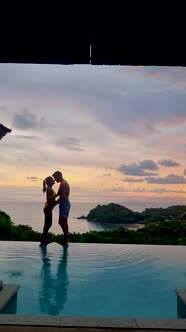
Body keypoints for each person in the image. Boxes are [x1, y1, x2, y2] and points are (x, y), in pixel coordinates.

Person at [52, 171, 71, 245]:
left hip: (64, 204)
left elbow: (62, 196)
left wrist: (53, 204)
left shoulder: (63, 184)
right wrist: (52, 199)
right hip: (64, 204)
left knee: (61, 222)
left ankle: (65, 239)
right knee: (64, 222)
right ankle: (65, 239)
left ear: (59, 176)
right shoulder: (62, 183)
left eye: (55, 178)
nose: (55, 180)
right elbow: (59, 194)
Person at [40, 176, 57, 245]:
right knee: (48, 224)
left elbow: (50, 198)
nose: (54, 181)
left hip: (48, 208)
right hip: (48, 208)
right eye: (52, 180)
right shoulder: (49, 188)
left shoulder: (49, 188)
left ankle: (44, 239)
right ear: (49, 182)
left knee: (47, 224)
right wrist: (57, 199)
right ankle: (43, 239)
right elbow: (48, 199)